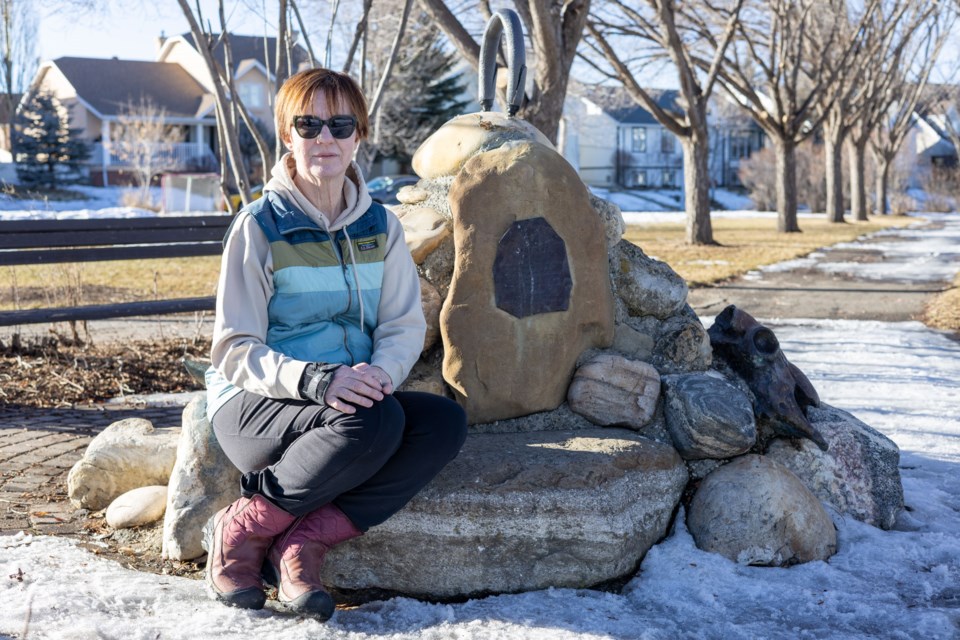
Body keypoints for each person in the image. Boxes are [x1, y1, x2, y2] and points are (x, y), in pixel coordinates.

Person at [202, 67, 467, 620]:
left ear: (358, 135)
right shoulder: (259, 226)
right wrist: (317, 381)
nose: (325, 137)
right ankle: (242, 529)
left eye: (340, 124)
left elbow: (401, 325)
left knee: (441, 423)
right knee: (372, 421)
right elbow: (233, 347)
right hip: (257, 404)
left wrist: (380, 377)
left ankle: (302, 544)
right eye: (309, 123)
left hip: (344, 403)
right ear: (287, 134)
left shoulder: (380, 226)